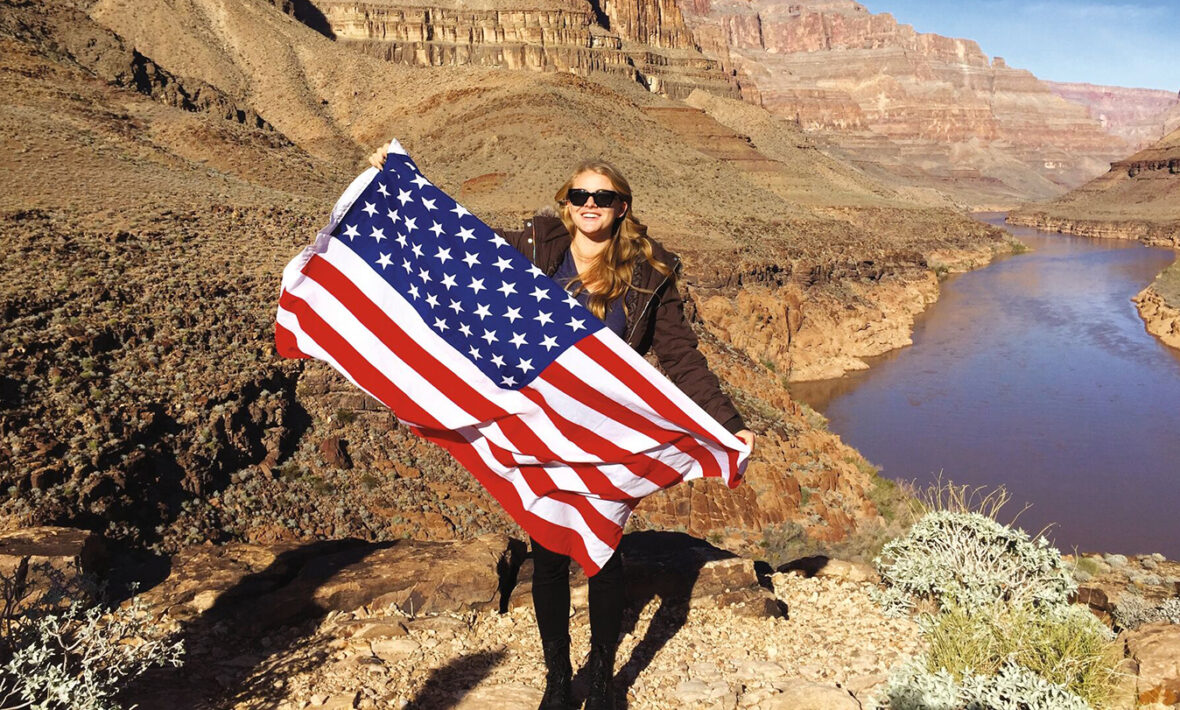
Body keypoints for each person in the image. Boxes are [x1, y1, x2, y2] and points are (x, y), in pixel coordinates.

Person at [369, 147, 754, 710]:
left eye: (603, 197)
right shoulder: (534, 250)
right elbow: (460, 244)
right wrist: (406, 179)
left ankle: (600, 680)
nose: (590, 204)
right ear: (566, 204)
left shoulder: (649, 272)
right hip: (541, 427)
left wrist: (729, 423)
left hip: (606, 434)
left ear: (622, 207)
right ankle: (556, 677)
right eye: (580, 196)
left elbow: (681, 355)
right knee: (547, 550)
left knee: (603, 549)